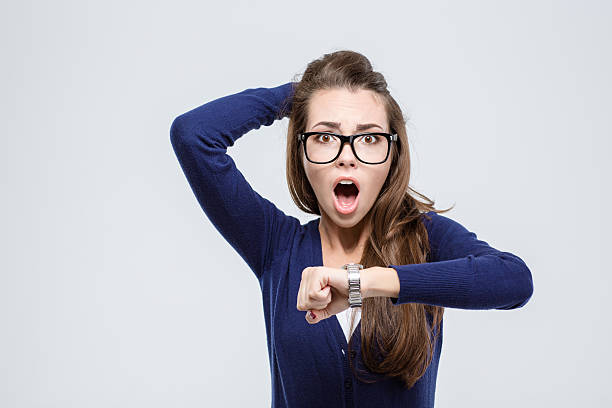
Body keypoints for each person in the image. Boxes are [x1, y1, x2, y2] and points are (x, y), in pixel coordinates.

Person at [169, 50, 534, 408]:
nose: (347, 155)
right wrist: (302, 94)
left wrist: (365, 284)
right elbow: (193, 135)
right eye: (325, 137)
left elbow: (514, 280)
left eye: (369, 138)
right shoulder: (276, 246)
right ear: (301, 152)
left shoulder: (426, 237)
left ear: (393, 155)